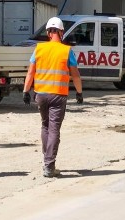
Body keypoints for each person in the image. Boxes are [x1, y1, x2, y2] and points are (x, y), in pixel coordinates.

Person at [22, 17, 83, 178]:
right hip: (58, 95)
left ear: (49, 32)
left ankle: (47, 159)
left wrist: (25, 91)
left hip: (40, 95)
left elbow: (30, 73)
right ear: (61, 32)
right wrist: (79, 92)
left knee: (45, 126)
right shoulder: (67, 51)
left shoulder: (39, 49)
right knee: (54, 129)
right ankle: (49, 166)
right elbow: (75, 75)